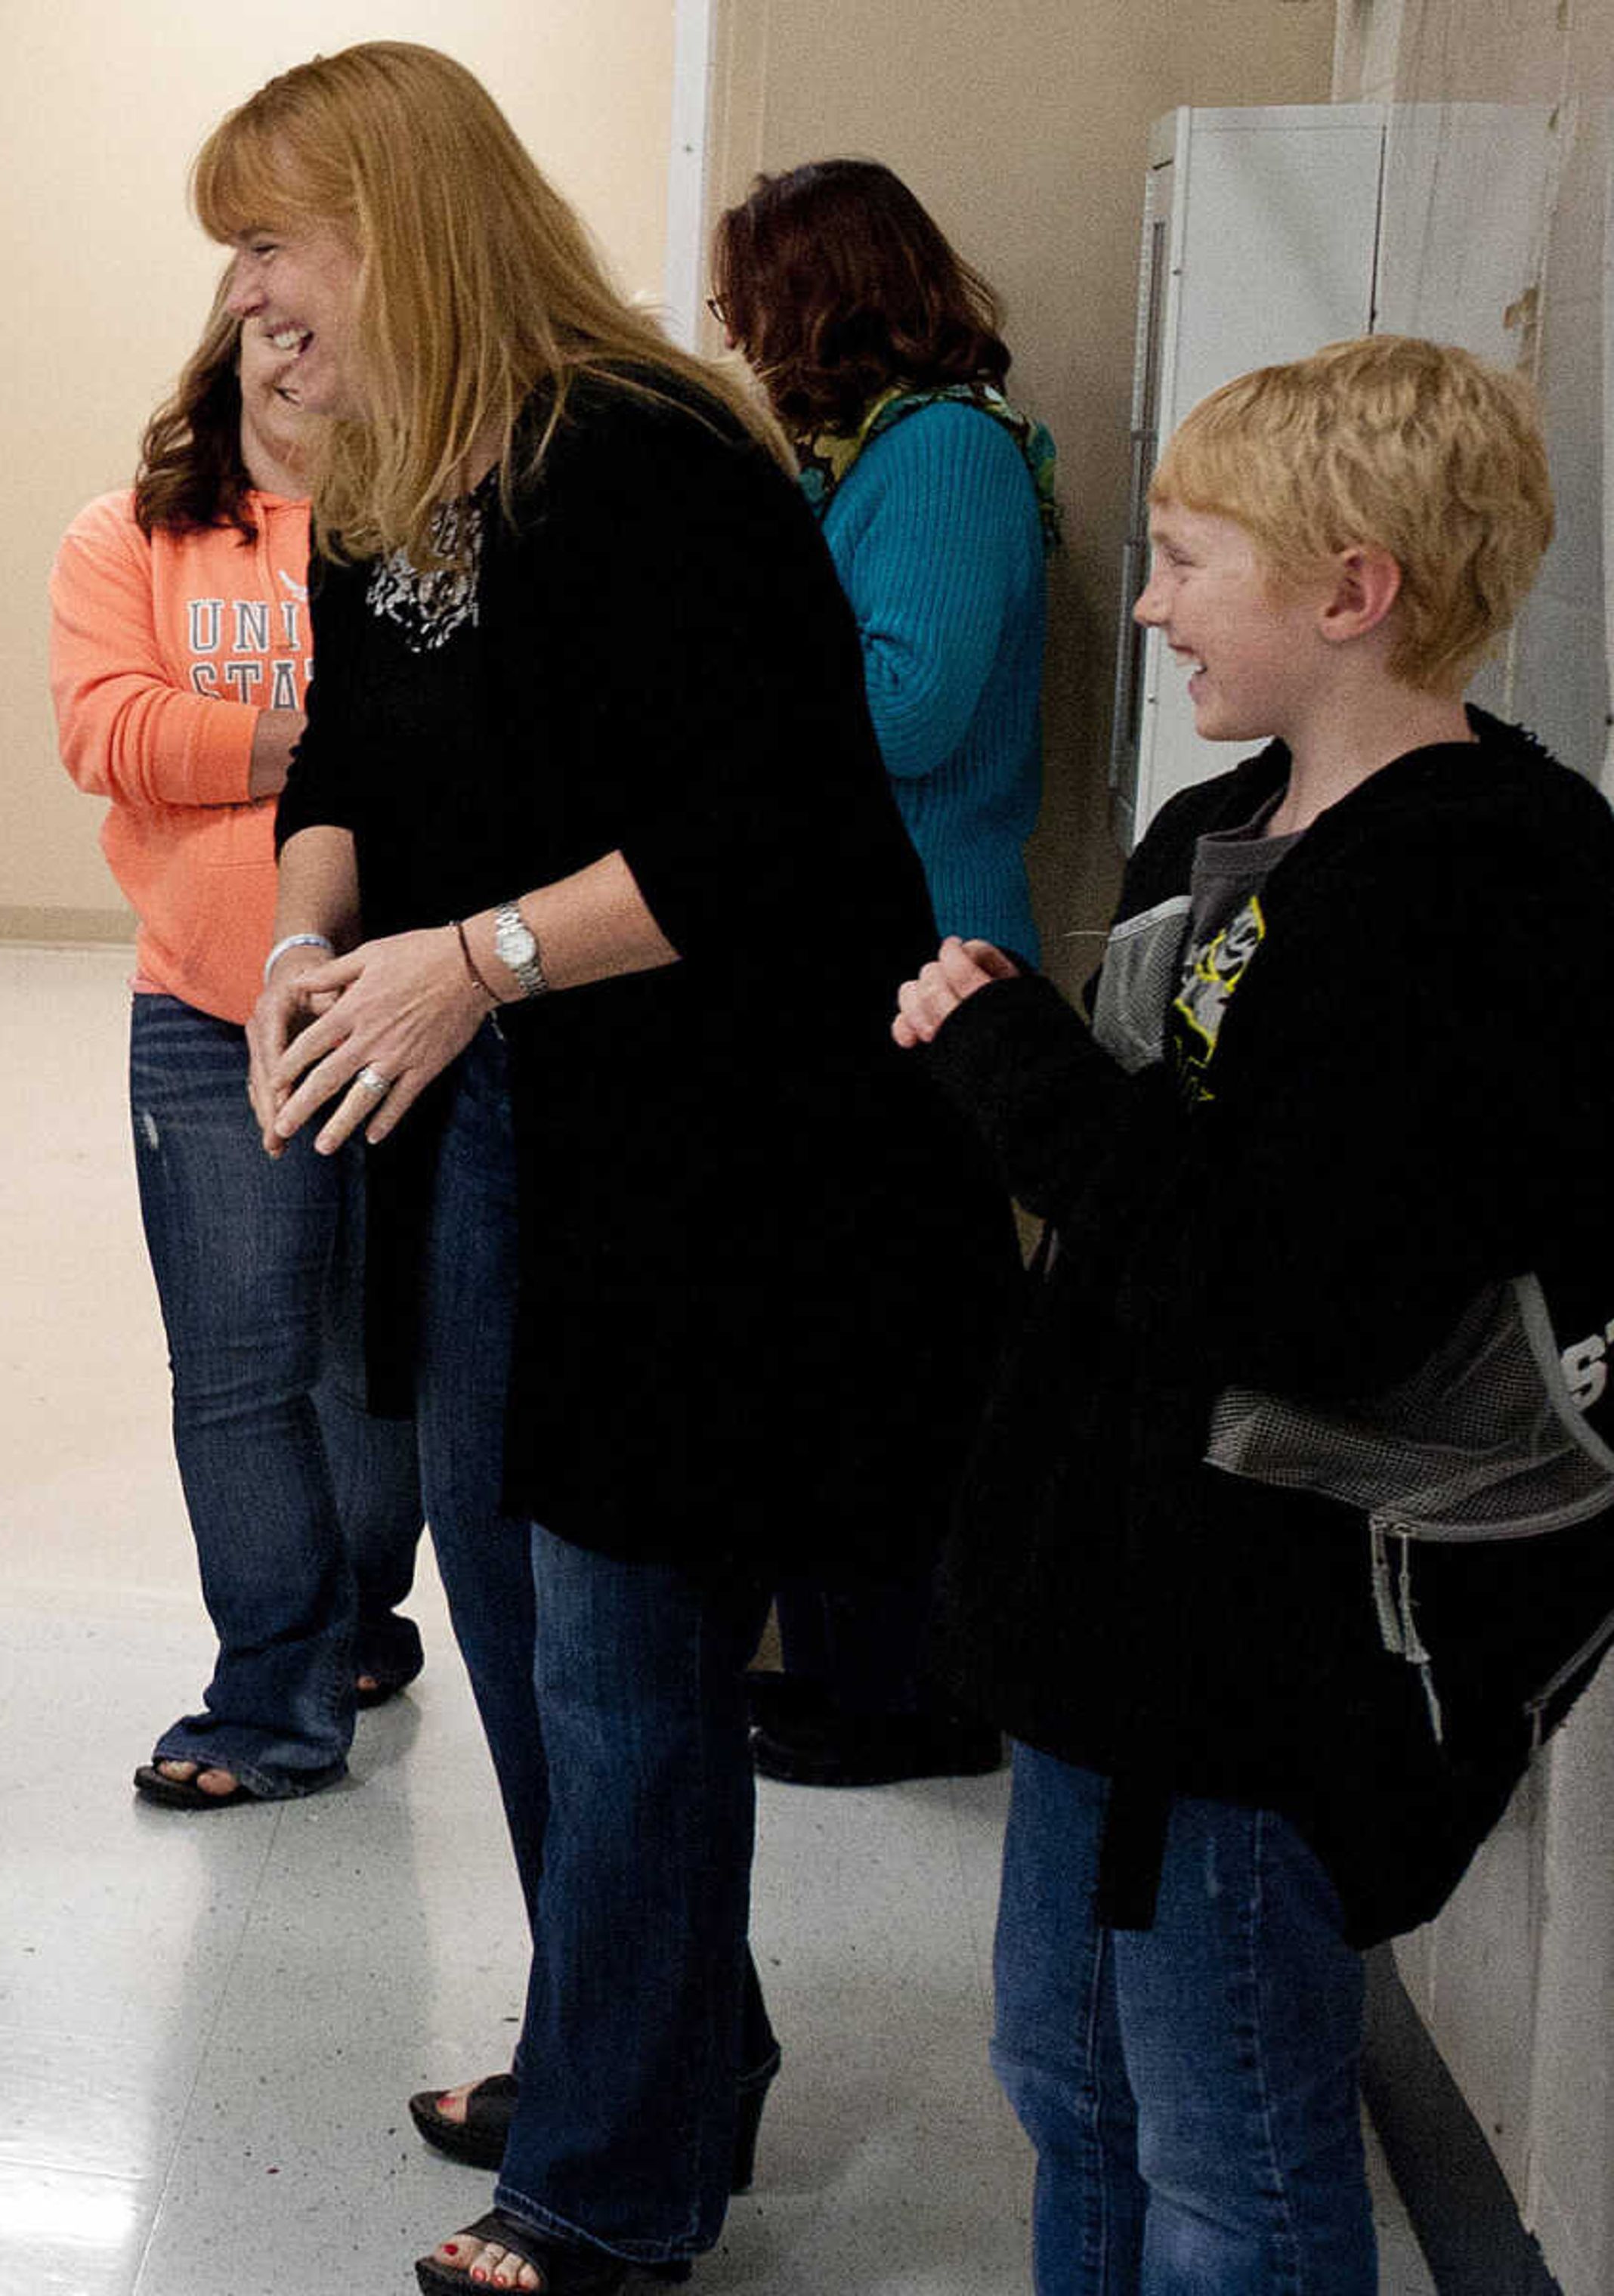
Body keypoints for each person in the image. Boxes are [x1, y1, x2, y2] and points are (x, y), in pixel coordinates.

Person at [197, 44, 1013, 2289]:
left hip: (698, 1158)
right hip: (490, 1136)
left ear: (397, 220)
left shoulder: (640, 459)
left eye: (274, 240)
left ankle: (614, 2177)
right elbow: (345, 750)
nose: (252, 295)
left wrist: (471, 959)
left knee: (625, 1647)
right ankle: (642, 2044)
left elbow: (781, 840)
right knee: (514, 1606)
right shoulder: (400, 476)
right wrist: (306, 941)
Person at [898, 335, 1614, 2295]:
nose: (1145, 601)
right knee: (1073, 2084)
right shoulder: (1224, 837)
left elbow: (1302, 1291)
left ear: (1350, 587)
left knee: (1233, 2160)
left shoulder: (1484, 894)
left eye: (1188, 556)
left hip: (1269, 1670)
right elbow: (1147, 1231)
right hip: (1117, 1621)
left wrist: (1019, 1072)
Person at [50, 297, 427, 1808]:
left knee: (373, 1365)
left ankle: (356, 1612)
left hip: (408, 1002)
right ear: (221, 351)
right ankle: (269, 1693)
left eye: (313, 320)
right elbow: (104, 730)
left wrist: (233, 731)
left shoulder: (426, 533)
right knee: (237, 1369)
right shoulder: (127, 535)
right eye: (256, 323)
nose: (286, 349)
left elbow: (463, 742)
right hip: (207, 1014)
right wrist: (318, 739)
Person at [708, 156, 1057, 1790]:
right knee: (845, 1335)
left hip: (922, 966)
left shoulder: (940, 458)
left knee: (897, 1350)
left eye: (752, 297)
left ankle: (911, 1692)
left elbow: (907, 705)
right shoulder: (865, 460)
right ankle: (862, 1669)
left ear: (826, 292)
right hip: (869, 956)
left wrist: (732, 660)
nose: (734, 328)